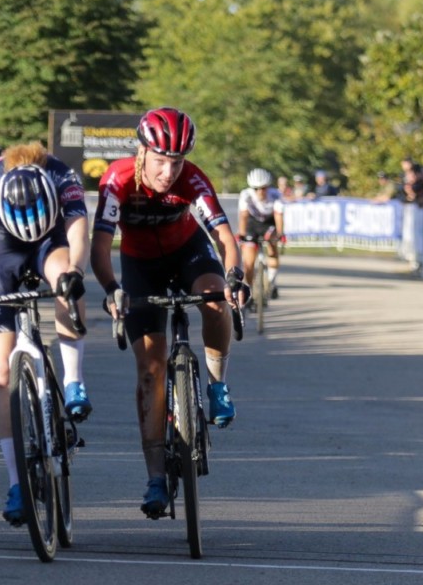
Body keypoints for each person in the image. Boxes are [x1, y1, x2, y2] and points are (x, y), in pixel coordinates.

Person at [90, 107, 245, 519]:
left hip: (188, 252)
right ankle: (156, 477)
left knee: (214, 298)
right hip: (140, 266)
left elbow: (226, 238)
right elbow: (101, 247)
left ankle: (217, 385)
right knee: (150, 371)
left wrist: (235, 276)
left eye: (176, 161)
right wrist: (111, 289)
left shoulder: (193, 178)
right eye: (161, 161)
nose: (169, 171)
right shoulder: (117, 179)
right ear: (142, 152)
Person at [0, 143, 91, 525]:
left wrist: (74, 272)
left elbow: (78, 235)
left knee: (66, 281)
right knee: (0, 372)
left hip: (49, 241)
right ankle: (15, 482)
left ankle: (73, 381)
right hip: (3, 247)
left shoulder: (61, 176)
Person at [238, 167, 285, 302]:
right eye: (256, 188)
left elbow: (278, 215)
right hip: (252, 224)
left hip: (269, 222)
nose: (260, 191)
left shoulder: (275, 194)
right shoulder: (246, 195)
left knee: (272, 244)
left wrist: (280, 233)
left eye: (263, 188)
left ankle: (271, 281)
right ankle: (250, 290)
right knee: (248, 261)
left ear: (268, 186)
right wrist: (242, 234)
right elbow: (244, 215)